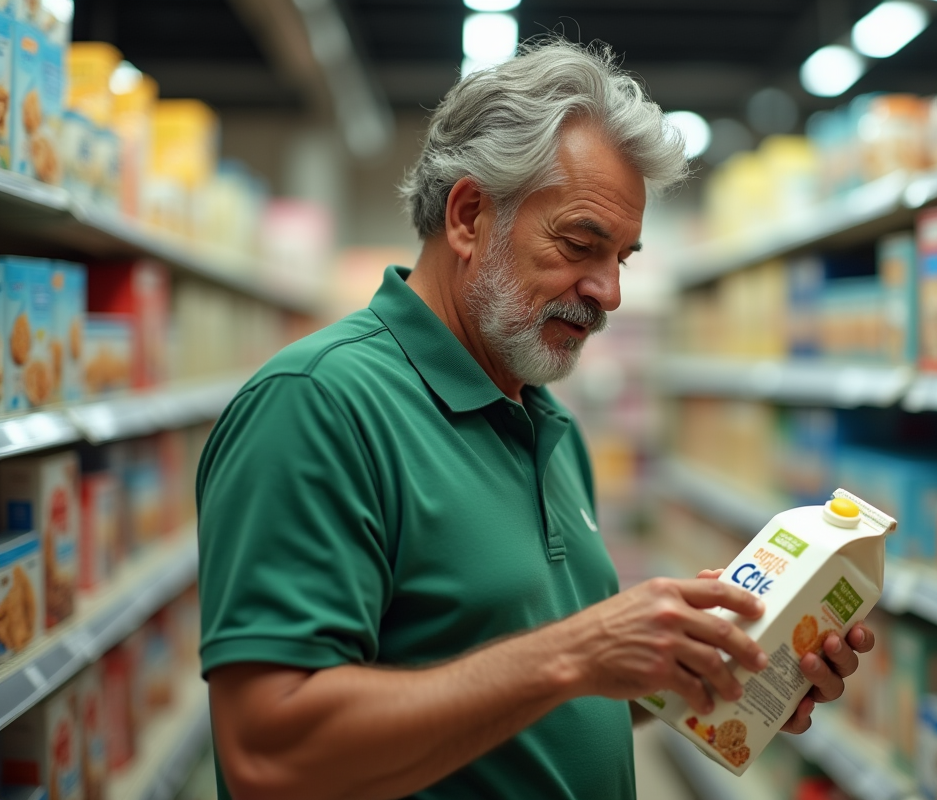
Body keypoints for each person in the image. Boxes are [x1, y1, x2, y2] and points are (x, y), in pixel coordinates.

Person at [197, 38, 875, 800]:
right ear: (468, 217)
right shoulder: (318, 404)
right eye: (581, 243)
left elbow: (539, 701)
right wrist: (578, 650)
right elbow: (268, 753)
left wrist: (705, 670)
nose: (610, 291)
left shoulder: (545, 423)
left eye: (624, 256)